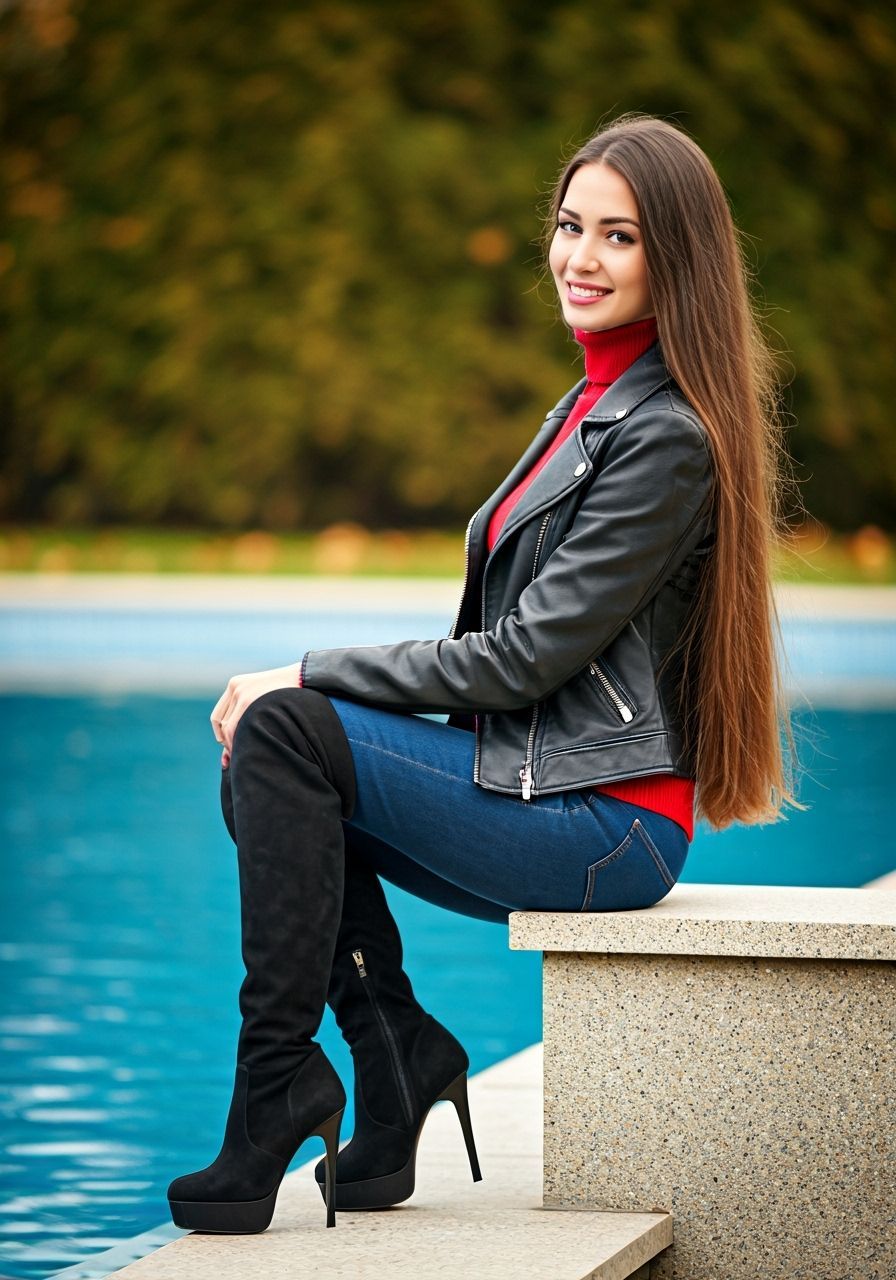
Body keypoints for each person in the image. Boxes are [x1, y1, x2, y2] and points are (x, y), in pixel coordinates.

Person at [166, 112, 800, 1234]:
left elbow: (520, 660)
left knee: (284, 729)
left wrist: (306, 669)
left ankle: (279, 1086)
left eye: (618, 236)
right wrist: (313, 688)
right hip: (547, 790)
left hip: (606, 823)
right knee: (274, 757)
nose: (579, 257)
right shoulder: (591, 405)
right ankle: (393, 1056)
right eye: (569, 226)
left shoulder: (664, 437)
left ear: (676, 260)